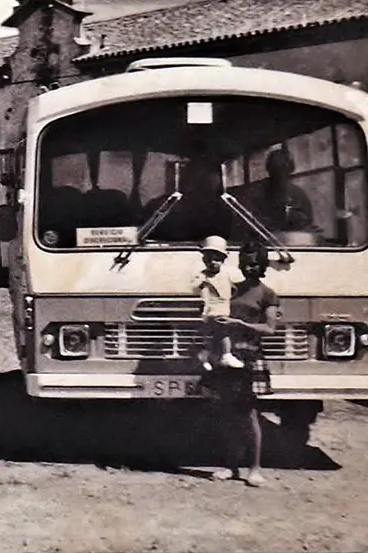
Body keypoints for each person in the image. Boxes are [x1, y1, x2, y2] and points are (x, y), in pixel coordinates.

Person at [202, 240, 279, 488]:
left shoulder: (268, 294)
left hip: (250, 357)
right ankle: (230, 466)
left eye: (255, 264)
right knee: (226, 413)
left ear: (263, 265)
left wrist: (241, 324)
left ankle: (254, 468)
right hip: (227, 354)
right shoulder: (232, 289)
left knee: (248, 414)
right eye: (245, 264)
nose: (249, 268)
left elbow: (270, 328)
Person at [143, 158, 233, 242]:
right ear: (186, 179)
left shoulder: (225, 209)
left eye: (211, 174)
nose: (203, 180)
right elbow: (146, 243)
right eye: (198, 175)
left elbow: (228, 243)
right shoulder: (160, 208)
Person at [191, 236, 245, 371]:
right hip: (210, 309)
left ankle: (209, 355)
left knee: (219, 334)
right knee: (219, 332)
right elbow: (196, 289)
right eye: (209, 260)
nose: (213, 263)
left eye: (217, 259)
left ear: (223, 260)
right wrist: (202, 283)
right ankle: (224, 355)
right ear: (204, 260)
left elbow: (239, 286)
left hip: (224, 307)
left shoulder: (228, 273)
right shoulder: (202, 275)